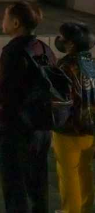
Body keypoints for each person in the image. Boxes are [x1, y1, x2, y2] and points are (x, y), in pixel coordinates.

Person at [0, 1, 56, 213]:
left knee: (15, 185)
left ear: (15, 23)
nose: (1, 21)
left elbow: (5, 90)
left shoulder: (13, 51)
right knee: (38, 182)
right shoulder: (43, 48)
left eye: (5, 17)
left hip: (16, 127)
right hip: (41, 124)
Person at [51, 22, 95, 213]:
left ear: (71, 44)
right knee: (85, 170)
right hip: (91, 129)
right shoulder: (91, 63)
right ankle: (85, 207)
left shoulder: (65, 65)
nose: (59, 41)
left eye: (62, 38)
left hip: (70, 130)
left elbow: (60, 100)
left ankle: (71, 210)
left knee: (68, 174)